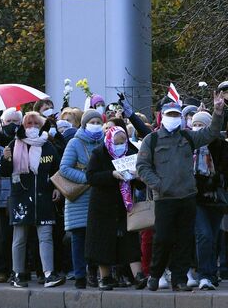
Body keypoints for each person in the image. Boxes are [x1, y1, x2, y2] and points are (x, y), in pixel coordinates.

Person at [137, 95, 224, 292]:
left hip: (187, 196)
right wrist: (158, 184)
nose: (174, 117)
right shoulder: (152, 139)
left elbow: (210, 133)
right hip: (165, 198)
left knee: (184, 240)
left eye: (177, 114)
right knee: (163, 239)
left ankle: (179, 279)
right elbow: (142, 166)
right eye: (170, 114)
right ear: (162, 116)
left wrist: (218, 113)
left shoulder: (187, 137)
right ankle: (155, 274)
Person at [0, 111, 65, 289]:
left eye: (36, 125)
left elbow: (57, 170)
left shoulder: (48, 146)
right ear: (23, 126)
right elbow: (3, 172)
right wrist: (6, 159)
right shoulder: (14, 145)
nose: (33, 128)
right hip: (20, 197)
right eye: (29, 124)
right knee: (19, 237)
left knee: (45, 236)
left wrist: (57, 188)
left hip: (43, 197)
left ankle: (49, 273)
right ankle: (18, 273)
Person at [85, 126, 147, 290]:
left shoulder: (131, 151)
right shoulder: (99, 153)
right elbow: (91, 177)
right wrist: (112, 174)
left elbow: (140, 182)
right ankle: (105, 278)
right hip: (102, 206)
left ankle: (138, 276)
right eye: (117, 142)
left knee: (130, 239)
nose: (120, 144)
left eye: (123, 141)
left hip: (124, 205)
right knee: (103, 242)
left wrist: (138, 176)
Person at [59, 109, 104, 289]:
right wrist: (87, 178)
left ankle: (93, 272)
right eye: (92, 122)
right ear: (84, 124)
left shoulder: (104, 141)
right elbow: (64, 168)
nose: (96, 125)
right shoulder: (74, 143)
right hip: (79, 196)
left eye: (98, 122)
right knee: (78, 237)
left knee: (96, 237)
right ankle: (79, 274)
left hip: (99, 196)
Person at [188, 111, 227, 290]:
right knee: (204, 235)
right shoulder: (187, 145)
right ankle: (204, 275)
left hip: (215, 197)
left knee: (212, 237)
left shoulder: (219, 145)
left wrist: (216, 178)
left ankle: (211, 274)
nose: (198, 128)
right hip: (195, 197)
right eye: (195, 125)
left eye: (202, 125)